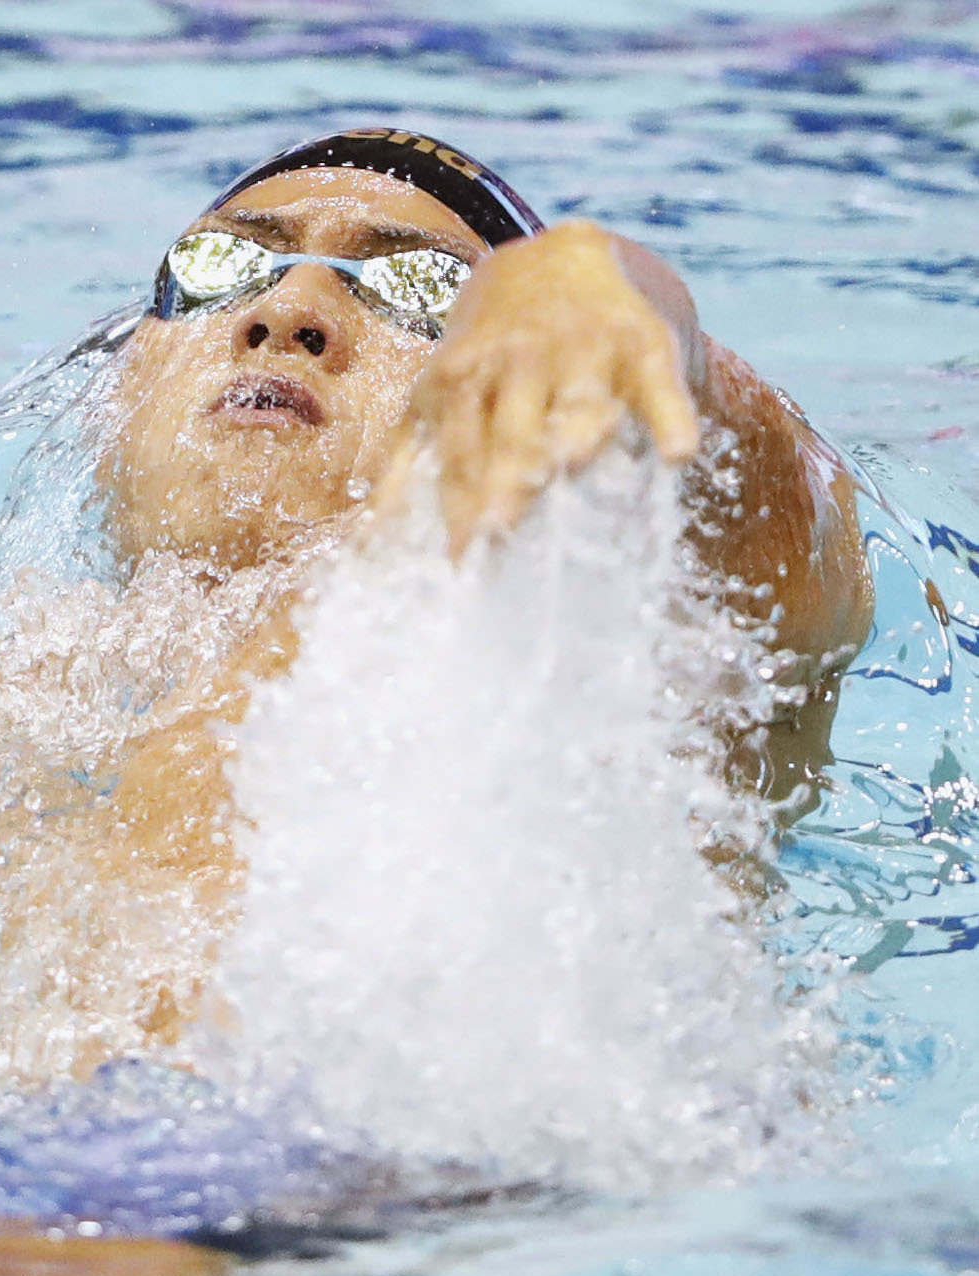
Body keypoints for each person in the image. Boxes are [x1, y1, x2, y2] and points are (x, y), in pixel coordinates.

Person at [82, 127, 873, 913]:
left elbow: (776, 501)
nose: (289, 308)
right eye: (225, 264)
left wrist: (602, 295)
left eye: (423, 285)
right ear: (113, 398)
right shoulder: (5, 691)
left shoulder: (598, 679)